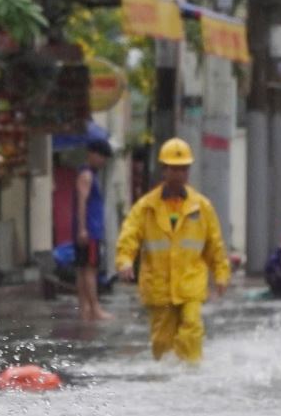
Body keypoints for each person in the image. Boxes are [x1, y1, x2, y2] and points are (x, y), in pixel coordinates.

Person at [114, 138, 232, 364]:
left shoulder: (202, 207)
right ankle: (167, 376)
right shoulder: (146, 207)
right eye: (174, 168)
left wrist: (221, 273)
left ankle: (190, 372)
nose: (179, 174)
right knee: (162, 341)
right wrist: (124, 261)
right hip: (159, 286)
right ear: (164, 170)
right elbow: (129, 236)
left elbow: (214, 244)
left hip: (190, 284)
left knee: (192, 327)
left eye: (184, 169)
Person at [74, 138, 114, 321]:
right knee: (90, 269)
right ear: (93, 154)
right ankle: (95, 308)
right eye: (102, 156)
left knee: (83, 269)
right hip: (90, 230)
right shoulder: (87, 176)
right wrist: (83, 228)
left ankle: (85, 308)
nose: (103, 161)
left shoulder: (86, 174)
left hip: (88, 228)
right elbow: (82, 202)